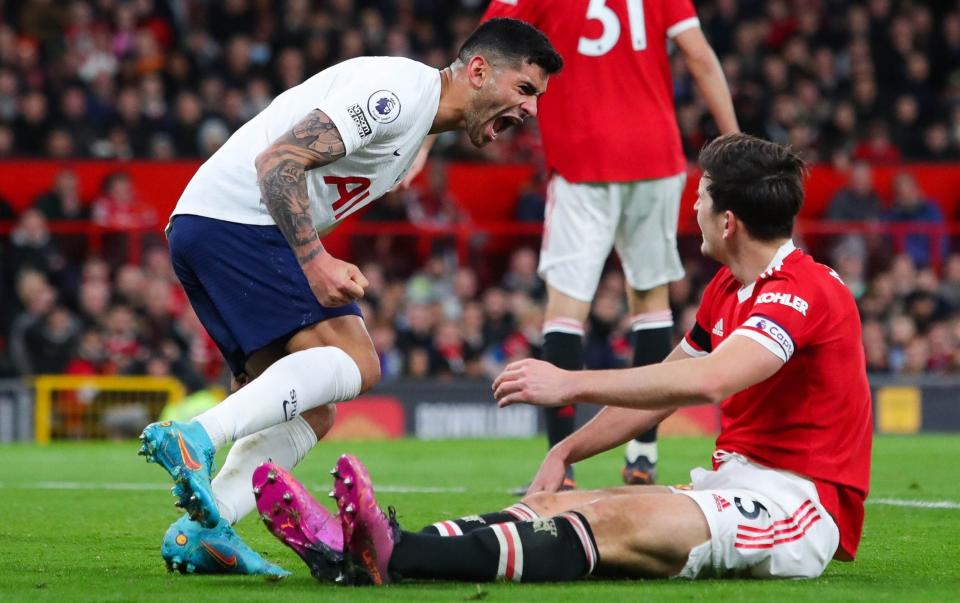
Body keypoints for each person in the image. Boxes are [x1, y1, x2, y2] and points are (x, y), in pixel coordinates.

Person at [255, 134, 872, 584]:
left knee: (610, 521)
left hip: (798, 505)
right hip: (734, 483)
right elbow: (667, 388)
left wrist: (566, 381)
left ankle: (392, 557)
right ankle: (360, 547)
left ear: (729, 221)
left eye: (703, 197)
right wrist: (566, 450)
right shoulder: (729, 290)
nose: (693, 208)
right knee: (552, 504)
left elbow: (708, 381)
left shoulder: (802, 290)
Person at [136, 17, 562, 577]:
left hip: (207, 226)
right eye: (524, 90)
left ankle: (204, 532)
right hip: (240, 222)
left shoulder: (421, 115)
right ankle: (196, 437)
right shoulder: (398, 96)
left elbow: (420, 128)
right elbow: (279, 162)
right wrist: (315, 259)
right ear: (478, 71)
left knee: (310, 411)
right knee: (359, 360)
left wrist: (423, 148)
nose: (530, 109)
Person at [438, 0, 739, 486]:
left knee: (564, 311)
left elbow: (480, 54)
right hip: (655, 156)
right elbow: (700, 56)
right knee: (651, 304)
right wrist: (734, 141)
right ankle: (643, 455)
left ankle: (561, 466)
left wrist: (433, 131)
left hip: (582, 158)